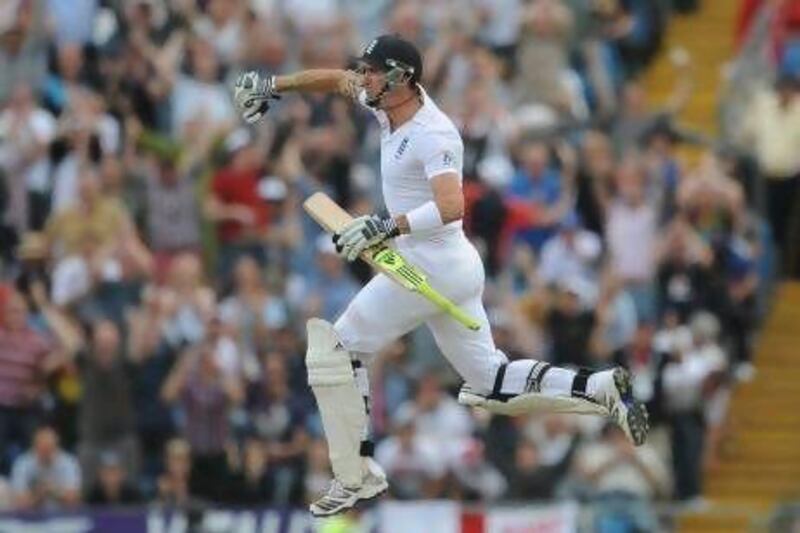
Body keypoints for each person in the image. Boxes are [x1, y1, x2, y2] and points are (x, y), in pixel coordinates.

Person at [233, 33, 649, 517]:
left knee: (335, 351)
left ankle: (356, 475)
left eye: (371, 71)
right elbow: (334, 79)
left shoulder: (434, 132)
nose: (361, 78)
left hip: (430, 264)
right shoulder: (382, 100)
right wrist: (273, 84)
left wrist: (386, 225)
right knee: (489, 382)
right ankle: (599, 389)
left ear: (400, 78)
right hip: (446, 267)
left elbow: (452, 205)